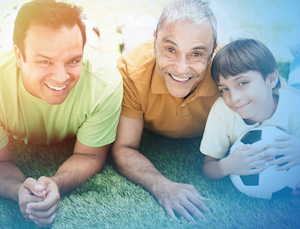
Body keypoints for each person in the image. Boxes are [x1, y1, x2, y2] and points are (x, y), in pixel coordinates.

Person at [0, 0, 123, 227]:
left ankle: (90, 29)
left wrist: (57, 182)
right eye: (45, 61)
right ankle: (11, 18)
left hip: (92, 54)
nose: (61, 77)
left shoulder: (106, 84)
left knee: (95, 47)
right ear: (19, 56)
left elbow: (91, 155)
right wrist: (17, 189)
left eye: (73, 60)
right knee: (9, 29)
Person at [111, 0, 221, 222]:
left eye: (197, 54)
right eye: (170, 49)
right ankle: (135, 24)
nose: (182, 68)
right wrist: (161, 186)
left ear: (213, 51)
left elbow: (282, 99)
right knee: (132, 43)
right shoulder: (130, 72)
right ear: (155, 43)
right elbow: (123, 148)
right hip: (141, 53)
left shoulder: (230, 68)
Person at [200, 39, 300, 195]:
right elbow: (208, 167)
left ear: (271, 79)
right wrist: (225, 166)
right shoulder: (222, 110)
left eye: (243, 83)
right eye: (224, 89)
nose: (234, 98)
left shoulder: (295, 109)